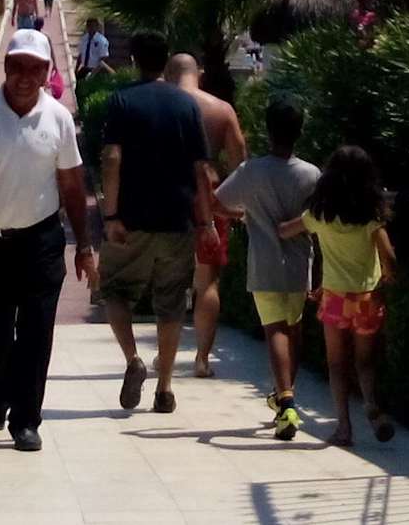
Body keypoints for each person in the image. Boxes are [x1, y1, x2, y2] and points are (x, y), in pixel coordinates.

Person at [0, 28, 96, 453]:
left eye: (35, 68)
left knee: (36, 333)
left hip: (39, 242)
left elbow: (72, 186)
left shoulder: (58, 118)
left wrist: (84, 246)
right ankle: (1, 390)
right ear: (6, 67)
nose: (25, 76)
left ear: (47, 73)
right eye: (17, 66)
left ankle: (26, 420)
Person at [96, 30, 211, 416]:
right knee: (171, 304)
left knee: (115, 291)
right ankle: (165, 388)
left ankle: (133, 359)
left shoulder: (122, 101)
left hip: (131, 219)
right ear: (165, 62)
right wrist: (206, 221)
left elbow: (112, 158)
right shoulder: (187, 105)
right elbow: (201, 170)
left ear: (133, 60)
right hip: (177, 219)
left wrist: (111, 215)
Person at [211, 97, 321, 440]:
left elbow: (216, 202)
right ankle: (287, 394)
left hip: (264, 263)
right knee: (294, 329)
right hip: (300, 264)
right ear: (300, 132)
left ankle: (285, 401)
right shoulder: (312, 174)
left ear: (268, 131)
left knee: (274, 330)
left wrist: (243, 215)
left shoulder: (252, 171)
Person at [280, 144, 397, 447]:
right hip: (367, 297)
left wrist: (257, 215)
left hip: (334, 298)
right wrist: (386, 278)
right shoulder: (372, 216)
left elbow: (286, 231)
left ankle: (344, 428)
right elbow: (389, 257)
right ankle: (370, 404)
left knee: (336, 364)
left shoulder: (320, 214)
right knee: (365, 362)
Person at [168, 52, 247, 378]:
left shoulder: (162, 106)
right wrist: (232, 205)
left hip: (170, 200)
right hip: (210, 199)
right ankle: (202, 358)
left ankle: (166, 355)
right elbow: (241, 163)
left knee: (169, 283)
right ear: (198, 73)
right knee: (208, 282)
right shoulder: (221, 109)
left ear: (169, 74)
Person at [76, 17, 111, 83]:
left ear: (97, 27)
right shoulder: (84, 39)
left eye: (93, 26)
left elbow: (104, 58)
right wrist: (76, 69)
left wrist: (93, 73)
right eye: (89, 26)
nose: (91, 28)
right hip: (85, 68)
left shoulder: (101, 41)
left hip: (96, 70)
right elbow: (80, 55)